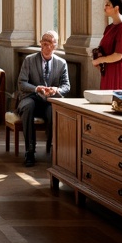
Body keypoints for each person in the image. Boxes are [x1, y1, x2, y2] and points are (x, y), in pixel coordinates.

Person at [17, 31, 70, 167]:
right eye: (43, 41)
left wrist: (56, 90)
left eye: (49, 42)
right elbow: (21, 83)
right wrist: (37, 88)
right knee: (28, 107)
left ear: (55, 46)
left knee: (54, 113)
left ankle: (53, 149)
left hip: (49, 101)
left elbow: (66, 86)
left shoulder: (61, 63)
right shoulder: (29, 60)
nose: (45, 44)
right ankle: (30, 151)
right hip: (31, 97)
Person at [92, 0, 122, 91]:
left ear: (116, 8)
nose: (104, 8)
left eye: (107, 5)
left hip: (118, 71)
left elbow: (118, 55)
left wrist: (99, 60)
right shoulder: (109, 28)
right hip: (108, 70)